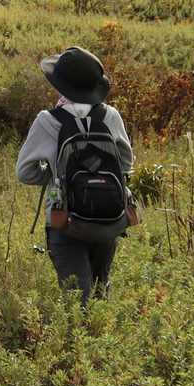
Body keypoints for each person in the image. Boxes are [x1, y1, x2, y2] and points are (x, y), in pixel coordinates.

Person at [15, 47, 135, 302]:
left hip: (65, 221)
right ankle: (100, 325)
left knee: (76, 298)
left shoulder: (48, 120)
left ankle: (79, 327)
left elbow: (24, 172)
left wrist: (55, 174)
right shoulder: (110, 116)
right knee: (100, 290)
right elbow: (126, 164)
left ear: (61, 86)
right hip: (109, 218)